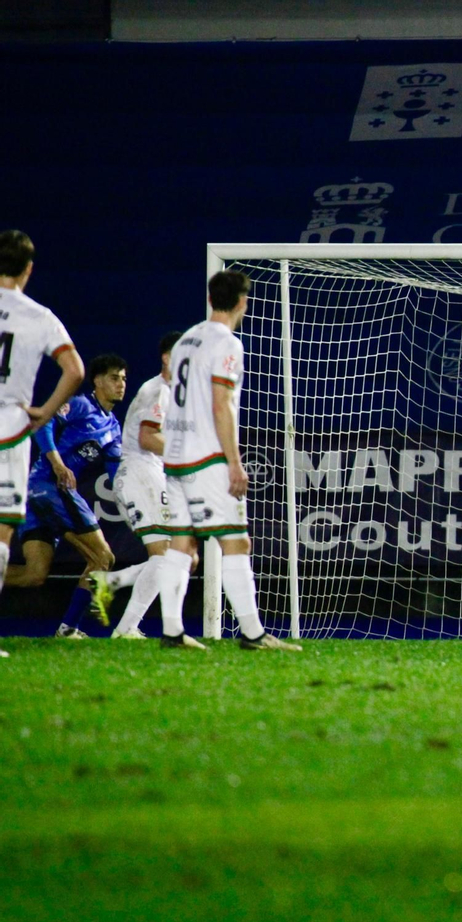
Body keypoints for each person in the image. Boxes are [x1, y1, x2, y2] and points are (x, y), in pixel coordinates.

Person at [159, 270, 300, 651]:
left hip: (176, 455)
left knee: (181, 542)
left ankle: (172, 631)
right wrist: (234, 463)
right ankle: (253, 634)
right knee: (236, 542)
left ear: (210, 299)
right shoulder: (228, 344)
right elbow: (221, 405)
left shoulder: (187, 339)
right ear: (242, 302)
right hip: (207, 457)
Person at [0, 230, 87, 655]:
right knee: (2, 531)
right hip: (9, 430)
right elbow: (74, 370)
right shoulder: (38, 316)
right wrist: (45, 411)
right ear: (29, 269)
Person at [5, 354, 126, 637]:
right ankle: (69, 629)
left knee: (34, 575)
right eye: (114, 378)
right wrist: (58, 464)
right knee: (103, 557)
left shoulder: (112, 428)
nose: (121, 384)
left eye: (123, 379)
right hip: (49, 486)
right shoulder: (81, 405)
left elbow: (115, 475)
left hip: (37, 495)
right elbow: (42, 424)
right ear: (97, 381)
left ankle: (68, 628)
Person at [92, 330, 183, 637]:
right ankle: (126, 627)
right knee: (166, 554)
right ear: (167, 358)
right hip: (139, 473)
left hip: (148, 473)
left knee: (178, 555)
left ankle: (112, 582)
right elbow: (148, 437)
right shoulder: (158, 390)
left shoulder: (171, 392)